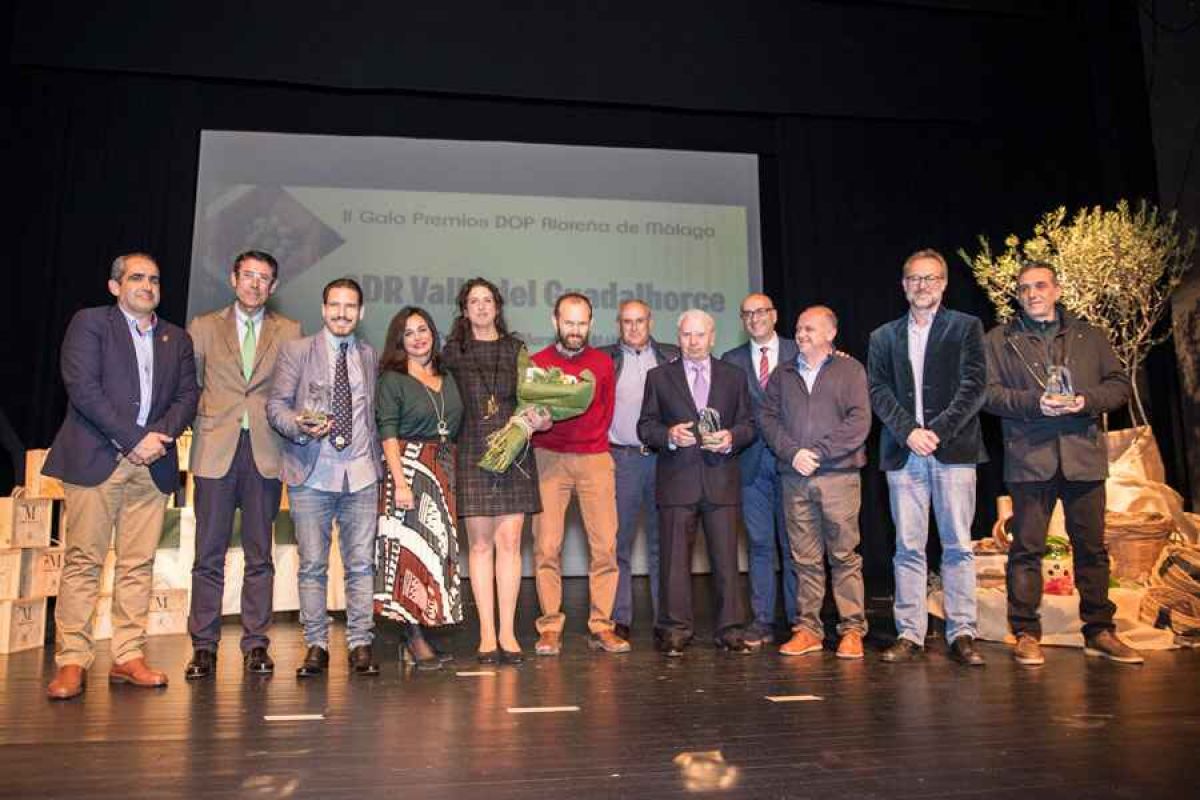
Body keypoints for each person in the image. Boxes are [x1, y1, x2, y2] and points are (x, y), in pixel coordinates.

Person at [43, 252, 199, 700]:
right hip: (98, 458)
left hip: (153, 463)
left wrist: (157, 438)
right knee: (83, 563)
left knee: (137, 564)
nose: (147, 286)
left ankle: (128, 655)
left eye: (153, 279)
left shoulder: (176, 338)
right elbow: (83, 389)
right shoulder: (90, 324)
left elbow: (188, 397)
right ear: (115, 286)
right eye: (136, 278)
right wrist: (133, 438)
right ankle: (72, 660)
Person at [983, 262, 1142, 666]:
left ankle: (1100, 630)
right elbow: (987, 395)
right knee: (1027, 550)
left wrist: (1085, 401)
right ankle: (1025, 632)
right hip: (1029, 458)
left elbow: (1119, 385)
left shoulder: (1090, 335)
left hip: (1082, 457)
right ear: (1017, 296)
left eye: (1040, 286)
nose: (1032, 294)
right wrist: (1034, 403)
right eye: (1024, 289)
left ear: (1056, 289)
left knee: (1091, 548)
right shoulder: (1000, 340)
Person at [867, 248, 988, 666]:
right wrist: (910, 432)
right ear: (903, 286)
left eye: (931, 278)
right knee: (908, 547)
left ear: (944, 284)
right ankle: (910, 633)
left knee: (958, 544)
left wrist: (935, 432)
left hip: (953, 450)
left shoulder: (966, 327)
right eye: (915, 279)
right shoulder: (883, 337)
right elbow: (878, 391)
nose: (922, 286)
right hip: (904, 453)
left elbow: (974, 387)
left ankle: (962, 632)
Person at [184, 250, 301, 680]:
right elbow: (189, 385)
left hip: (266, 452)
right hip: (216, 449)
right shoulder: (203, 327)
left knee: (259, 555)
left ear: (273, 287)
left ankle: (255, 644)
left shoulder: (289, 331)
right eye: (248, 275)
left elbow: (291, 390)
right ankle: (203, 646)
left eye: (264, 278)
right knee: (208, 555)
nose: (255, 284)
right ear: (234, 279)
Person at [267, 278, 382, 678]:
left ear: (361, 313)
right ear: (323, 308)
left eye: (351, 307)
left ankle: (360, 644)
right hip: (312, 475)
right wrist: (299, 425)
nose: (342, 313)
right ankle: (315, 645)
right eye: (335, 305)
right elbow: (275, 407)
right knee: (313, 565)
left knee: (361, 566)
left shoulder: (368, 354)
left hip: (363, 475)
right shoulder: (297, 350)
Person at [637, 309, 756, 656]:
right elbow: (645, 427)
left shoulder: (734, 376)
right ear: (678, 337)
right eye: (687, 335)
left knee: (726, 561)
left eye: (699, 334)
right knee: (673, 562)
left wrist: (732, 436)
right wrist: (669, 435)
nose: (693, 341)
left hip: (721, 481)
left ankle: (731, 630)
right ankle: (674, 630)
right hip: (677, 480)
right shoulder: (658, 377)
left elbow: (749, 424)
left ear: (713, 337)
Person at [761, 306, 871, 659]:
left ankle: (852, 629)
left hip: (838, 476)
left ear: (830, 333)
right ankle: (808, 629)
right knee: (803, 559)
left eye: (810, 329)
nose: (802, 334)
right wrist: (794, 453)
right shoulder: (782, 373)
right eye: (798, 329)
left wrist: (818, 453)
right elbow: (767, 418)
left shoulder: (850, 369)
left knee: (844, 556)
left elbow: (859, 421)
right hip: (795, 478)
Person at [441, 278, 541, 664]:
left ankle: (508, 634)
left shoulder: (516, 350)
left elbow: (533, 400)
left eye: (487, 301)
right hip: (471, 453)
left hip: (514, 453)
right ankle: (485, 635)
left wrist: (536, 417)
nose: (481, 307)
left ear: (497, 307)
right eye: (473, 301)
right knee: (480, 546)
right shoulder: (452, 352)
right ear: (464, 310)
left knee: (511, 545)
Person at [530, 293, 628, 655]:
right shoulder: (537, 364)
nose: (575, 330)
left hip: (594, 459)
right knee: (546, 546)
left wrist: (589, 445)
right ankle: (550, 627)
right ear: (555, 321)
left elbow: (606, 411)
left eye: (582, 323)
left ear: (590, 322)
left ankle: (602, 626)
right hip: (548, 459)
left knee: (605, 546)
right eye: (569, 322)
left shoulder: (602, 363)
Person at [375, 306, 464, 670]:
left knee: (433, 558)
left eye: (423, 329)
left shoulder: (448, 376)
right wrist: (400, 482)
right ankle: (411, 637)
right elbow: (388, 433)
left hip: (443, 472)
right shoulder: (392, 380)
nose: (417, 337)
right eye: (408, 333)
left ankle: (422, 631)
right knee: (408, 557)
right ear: (400, 341)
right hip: (409, 470)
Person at [721, 292, 799, 646]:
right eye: (747, 314)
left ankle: (801, 622)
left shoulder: (799, 350)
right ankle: (763, 620)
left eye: (760, 312)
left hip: (792, 462)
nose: (754, 319)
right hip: (750, 464)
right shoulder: (730, 360)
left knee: (795, 544)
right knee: (760, 543)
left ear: (774, 315)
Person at [600, 299, 679, 640]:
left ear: (650, 321)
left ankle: (666, 619)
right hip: (623, 460)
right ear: (619, 324)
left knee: (664, 543)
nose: (633, 328)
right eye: (627, 322)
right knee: (619, 543)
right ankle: (621, 619)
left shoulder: (672, 355)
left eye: (640, 321)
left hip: (665, 459)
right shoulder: (603, 358)